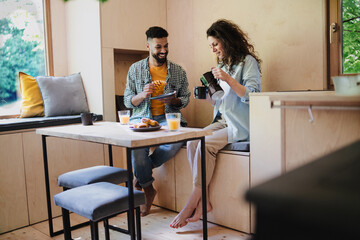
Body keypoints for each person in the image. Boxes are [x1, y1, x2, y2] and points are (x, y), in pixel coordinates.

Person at [170, 19, 261, 228]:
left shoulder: (248, 62)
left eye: (215, 44)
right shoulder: (222, 66)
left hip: (240, 124)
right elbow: (220, 102)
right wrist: (206, 97)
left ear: (227, 41)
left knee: (206, 144)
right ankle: (205, 201)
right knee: (193, 141)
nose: (213, 49)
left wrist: (229, 80)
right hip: (222, 120)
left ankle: (195, 198)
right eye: (211, 45)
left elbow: (254, 96)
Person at [124, 26, 190, 216]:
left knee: (176, 141)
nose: (163, 51)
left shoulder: (177, 71)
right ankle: (149, 188)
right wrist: (143, 94)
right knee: (137, 150)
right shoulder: (135, 69)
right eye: (158, 47)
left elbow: (185, 98)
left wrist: (174, 100)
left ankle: (140, 175)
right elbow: (128, 100)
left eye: (166, 46)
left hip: (168, 118)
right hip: (142, 118)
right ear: (148, 46)